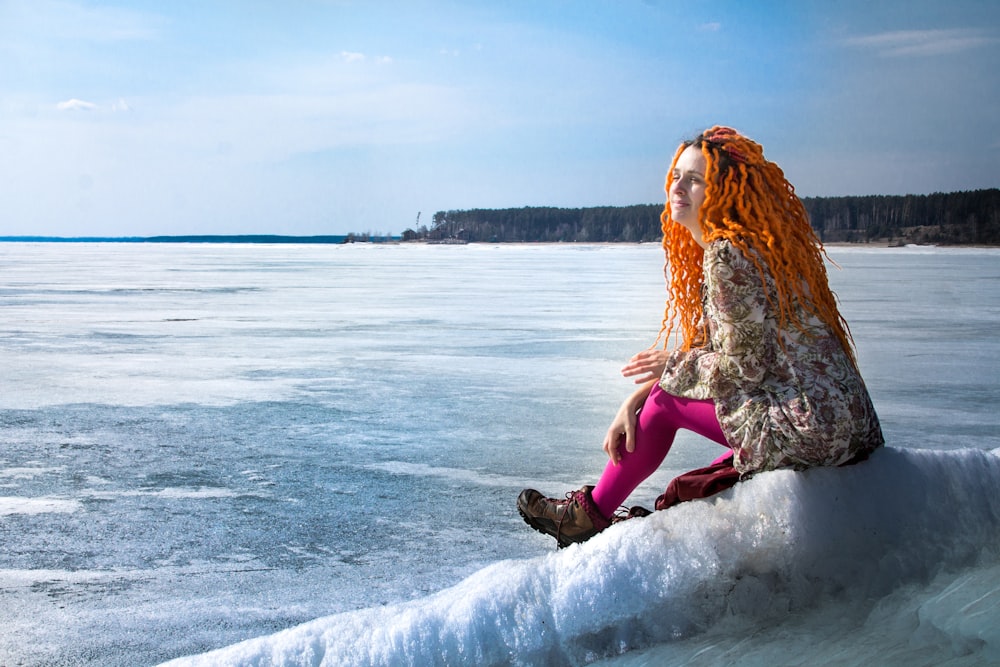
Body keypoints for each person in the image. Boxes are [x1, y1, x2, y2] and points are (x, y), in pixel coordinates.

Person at [517, 126, 884, 548]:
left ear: (725, 190)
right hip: (845, 426)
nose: (679, 187)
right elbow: (727, 351)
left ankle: (587, 517)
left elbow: (744, 367)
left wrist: (666, 371)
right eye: (677, 175)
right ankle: (609, 510)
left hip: (814, 430)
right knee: (664, 403)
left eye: (695, 179)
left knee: (666, 402)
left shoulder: (728, 254)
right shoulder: (757, 246)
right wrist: (634, 396)